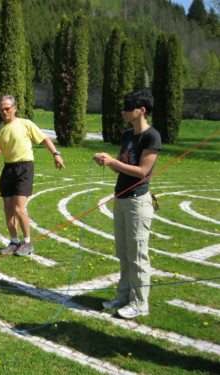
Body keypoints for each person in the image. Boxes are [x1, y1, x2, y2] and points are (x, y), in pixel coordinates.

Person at [94, 90, 161, 319]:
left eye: (127, 107)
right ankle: (123, 296)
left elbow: (143, 171)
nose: (123, 111)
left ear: (141, 110)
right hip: (121, 199)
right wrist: (108, 161)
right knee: (123, 252)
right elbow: (122, 165)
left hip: (137, 202)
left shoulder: (152, 137)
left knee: (138, 254)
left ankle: (140, 303)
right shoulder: (127, 136)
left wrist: (114, 162)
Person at [0, 95, 65, 256]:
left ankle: (28, 243)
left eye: (7, 108)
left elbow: (44, 139)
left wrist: (56, 154)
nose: (4, 111)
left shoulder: (25, 124)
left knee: (18, 208)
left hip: (24, 167)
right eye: (1, 109)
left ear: (14, 108)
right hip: (8, 169)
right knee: (8, 208)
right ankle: (14, 242)